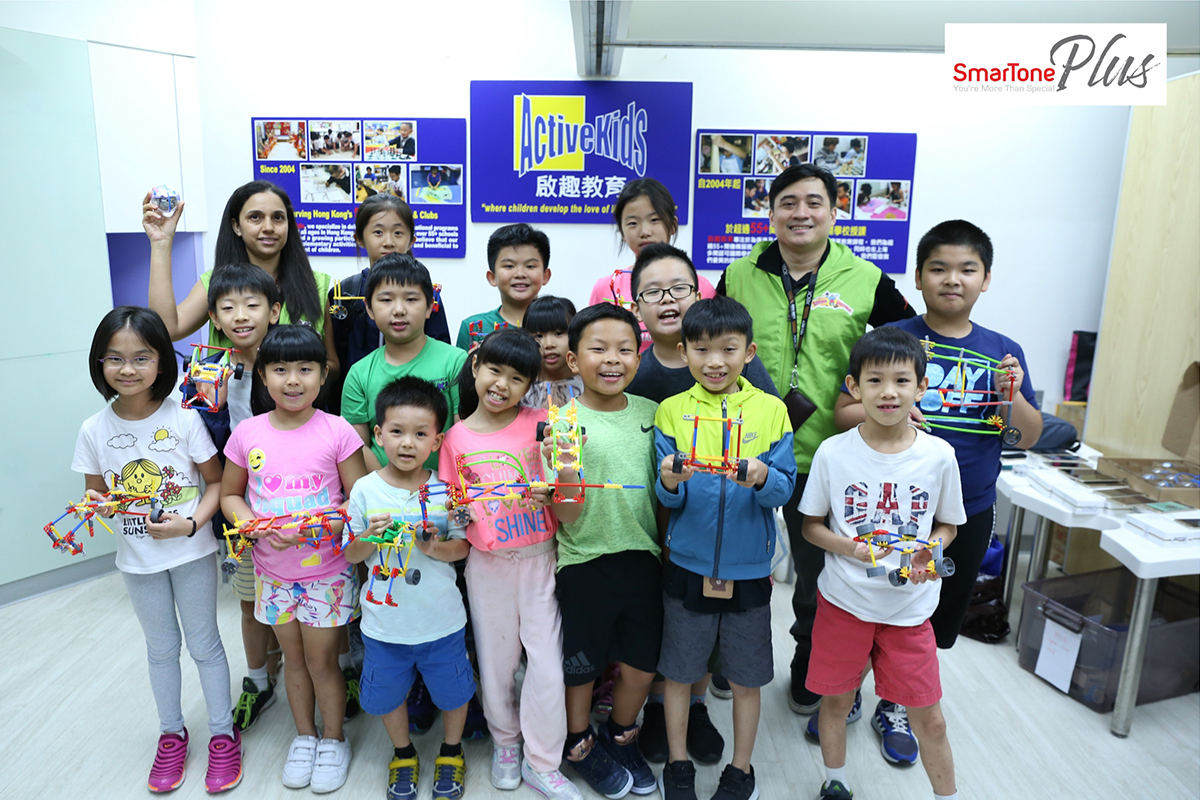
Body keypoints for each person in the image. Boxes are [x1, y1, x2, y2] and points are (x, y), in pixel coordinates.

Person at [718, 163, 915, 722]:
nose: (800, 213)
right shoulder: (739, 275)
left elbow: (912, 341)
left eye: (813, 202)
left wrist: (898, 401)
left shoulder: (866, 279)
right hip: (746, 450)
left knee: (817, 574)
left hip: (827, 455)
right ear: (770, 213)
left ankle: (812, 663)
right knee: (728, 560)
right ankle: (725, 657)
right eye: (787, 202)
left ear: (834, 211)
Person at [836, 221, 1042, 650]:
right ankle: (858, 675)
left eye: (967, 269)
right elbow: (843, 414)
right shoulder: (891, 340)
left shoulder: (1002, 351)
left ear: (986, 279)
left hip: (968, 509)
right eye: (938, 268)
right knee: (873, 604)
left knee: (936, 619)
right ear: (918, 277)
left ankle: (907, 685)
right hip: (892, 504)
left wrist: (1011, 394)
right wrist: (892, 415)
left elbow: (1026, 437)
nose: (952, 279)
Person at [73, 306, 240, 793]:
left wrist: (191, 525)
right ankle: (171, 734)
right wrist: (97, 505)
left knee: (205, 645)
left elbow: (215, 484)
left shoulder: (184, 419)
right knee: (161, 650)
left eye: (141, 357)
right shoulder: (93, 429)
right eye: (115, 358)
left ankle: (223, 734)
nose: (127, 369)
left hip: (191, 553)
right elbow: (96, 494)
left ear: (162, 362)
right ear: (99, 363)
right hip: (137, 562)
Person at [624, 244, 778, 765]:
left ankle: (698, 708)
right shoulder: (638, 373)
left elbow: (775, 455)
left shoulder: (749, 383)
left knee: (711, 630)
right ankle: (660, 710)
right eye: (653, 292)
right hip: (659, 524)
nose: (668, 299)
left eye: (679, 288)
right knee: (670, 627)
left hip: (731, 534)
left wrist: (761, 478)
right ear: (637, 305)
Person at [798, 327, 966, 800]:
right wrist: (848, 547)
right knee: (835, 702)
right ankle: (835, 781)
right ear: (854, 387)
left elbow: (949, 526)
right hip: (845, 603)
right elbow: (810, 526)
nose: (888, 392)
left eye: (901, 380)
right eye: (875, 380)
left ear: (921, 388)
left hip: (909, 610)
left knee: (931, 719)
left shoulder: (939, 455)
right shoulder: (833, 452)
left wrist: (930, 550)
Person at [654, 296, 796, 800]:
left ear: (749, 352)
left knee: (746, 678)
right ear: (683, 352)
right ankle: (677, 764)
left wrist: (763, 477)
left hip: (750, 567)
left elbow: (784, 490)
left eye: (728, 349)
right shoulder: (672, 412)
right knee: (678, 673)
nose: (715, 361)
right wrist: (670, 481)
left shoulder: (772, 411)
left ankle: (741, 770)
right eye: (702, 350)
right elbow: (666, 495)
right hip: (687, 564)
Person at [221, 325, 367, 792]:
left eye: (305, 369)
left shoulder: (337, 430)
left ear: (323, 375)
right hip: (272, 572)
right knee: (293, 659)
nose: (292, 380)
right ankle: (304, 737)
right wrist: (256, 525)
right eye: (280, 369)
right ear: (263, 376)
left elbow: (358, 498)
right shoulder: (247, 433)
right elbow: (230, 495)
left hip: (326, 573)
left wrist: (323, 525)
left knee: (323, 663)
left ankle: (334, 738)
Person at [438, 330, 580, 798]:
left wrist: (554, 489)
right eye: (494, 371)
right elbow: (453, 509)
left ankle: (542, 761)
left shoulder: (544, 424)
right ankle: (505, 743)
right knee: (496, 662)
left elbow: (569, 487)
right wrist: (456, 518)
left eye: (517, 378)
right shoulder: (454, 438)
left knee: (548, 668)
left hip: (541, 561)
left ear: (530, 386)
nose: (502, 384)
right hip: (488, 565)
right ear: (475, 366)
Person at [546, 303, 660, 799]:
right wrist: (566, 471)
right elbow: (566, 515)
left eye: (624, 349)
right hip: (584, 561)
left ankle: (620, 734)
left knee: (641, 665)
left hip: (645, 559)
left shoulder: (653, 414)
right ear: (573, 360)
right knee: (582, 666)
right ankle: (579, 741)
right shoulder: (562, 422)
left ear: (639, 357)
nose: (612, 359)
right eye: (598, 349)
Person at [342, 378, 474, 800]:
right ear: (378, 435)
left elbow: (462, 548)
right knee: (386, 697)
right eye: (396, 431)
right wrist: (369, 537)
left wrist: (432, 546)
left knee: (454, 693)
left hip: (442, 621)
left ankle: (451, 750)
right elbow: (351, 554)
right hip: (384, 626)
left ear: (437, 441)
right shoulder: (364, 489)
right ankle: (403, 753)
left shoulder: (446, 491)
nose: (407, 443)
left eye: (420, 434)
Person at [188, 264, 286, 734]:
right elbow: (206, 448)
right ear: (214, 317)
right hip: (239, 503)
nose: (241, 316)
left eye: (252, 305)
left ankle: (339, 669)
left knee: (311, 591)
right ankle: (258, 680)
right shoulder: (209, 370)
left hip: (295, 500)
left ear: (275, 310)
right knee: (250, 600)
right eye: (228, 308)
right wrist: (218, 404)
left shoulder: (291, 358)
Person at [143, 180, 339, 376]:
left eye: (278, 218)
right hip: (227, 395)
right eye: (255, 217)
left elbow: (333, 363)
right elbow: (166, 329)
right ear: (236, 226)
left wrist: (301, 377)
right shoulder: (215, 282)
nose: (268, 227)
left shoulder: (316, 285)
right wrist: (161, 242)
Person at [341, 254, 466, 474]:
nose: (399, 310)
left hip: (445, 488)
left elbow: (463, 436)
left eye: (411, 299)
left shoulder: (455, 362)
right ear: (369, 308)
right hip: (381, 491)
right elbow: (358, 448)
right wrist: (388, 487)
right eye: (386, 300)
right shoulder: (359, 374)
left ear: (430, 306)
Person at [328, 194, 452, 382]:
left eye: (398, 233)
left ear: (412, 240)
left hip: (416, 390)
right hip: (358, 391)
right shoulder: (344, 293)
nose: (388, 242)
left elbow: (440, 349)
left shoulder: (427, 292)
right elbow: (336, 355)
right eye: (378, 232)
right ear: (359, 239)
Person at [587, 179, 715, 352]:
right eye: (633, 223)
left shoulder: (701, 287)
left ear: (673, 225)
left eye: (654, 220)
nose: (645, 232)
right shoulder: (606, 288)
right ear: (622, 232)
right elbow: (594, 345)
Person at [455, 224, 552, 350]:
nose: (520, 274)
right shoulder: (474, 327)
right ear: (492, 277)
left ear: (545, 276)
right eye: (509, 266)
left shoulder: (563, 324)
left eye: (530, 266)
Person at [520, 295, 584, 410]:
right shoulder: (519, 386)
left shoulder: (589, 383)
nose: (549, 344)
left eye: (558, 333)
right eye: (539, 336)